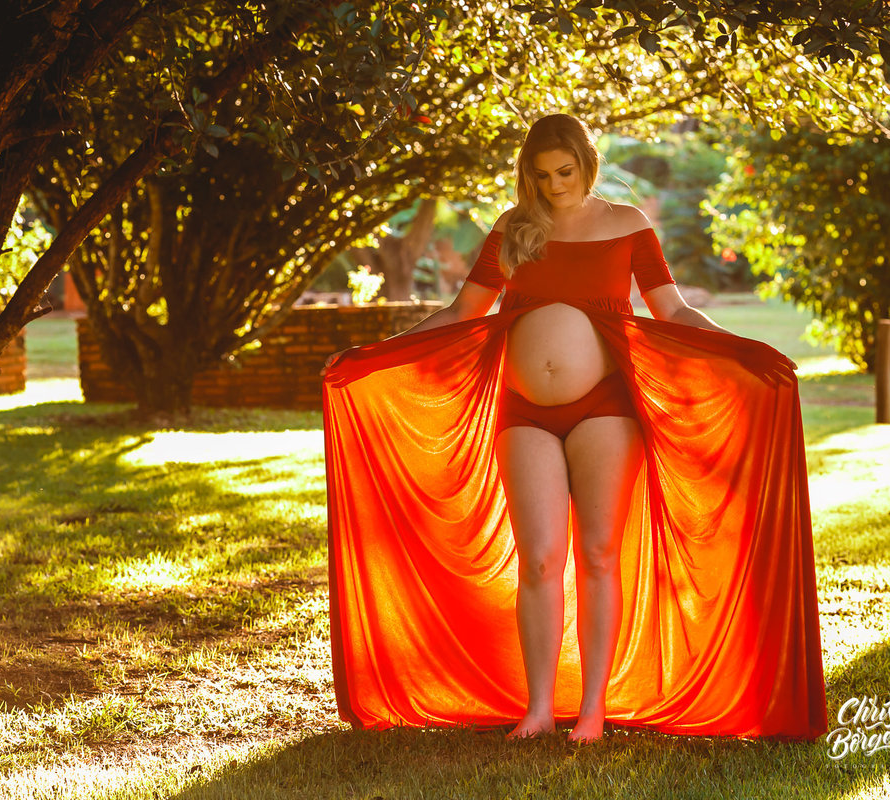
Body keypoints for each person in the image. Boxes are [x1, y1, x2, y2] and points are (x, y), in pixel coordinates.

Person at [322, 114, 826, 743]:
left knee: (598, 552)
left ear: (587, 161)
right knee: (536, 560)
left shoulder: (627, 225)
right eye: (542, 175)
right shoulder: (514, 228)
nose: (555, 185)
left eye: (565, 172)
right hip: (522, 408)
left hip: (605, 405)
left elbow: (671, 309)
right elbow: (461, 312)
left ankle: (592, 709)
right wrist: (377, 352)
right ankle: (537, 708)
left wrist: (741, 348)